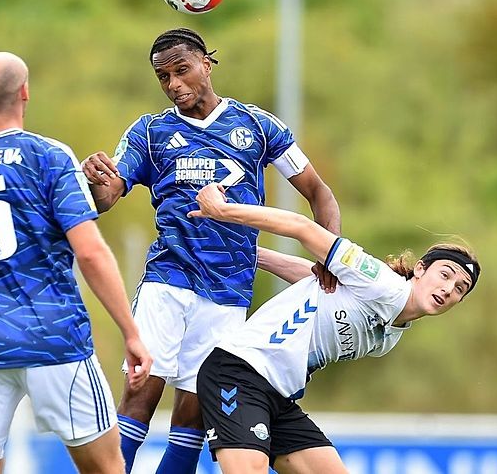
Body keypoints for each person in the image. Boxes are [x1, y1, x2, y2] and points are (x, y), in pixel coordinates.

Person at [81, 27, 341, 474]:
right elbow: (107, 199)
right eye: (163, 77)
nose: (174, 84)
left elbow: (320, 194)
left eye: (182, 70)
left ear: (207, 63)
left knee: (195, 410)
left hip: (228, 290)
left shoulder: (259, 126)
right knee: (142, 391)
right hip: (169, 279)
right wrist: (97, 181)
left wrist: (331, 260)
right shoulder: (149, 132)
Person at [0, 52, 153, 474]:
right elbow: (90, 251)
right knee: (105, 468)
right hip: (56, 340)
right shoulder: (48, 156)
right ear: (25, 92)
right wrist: (131, 332)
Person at [186, 182, 480, 473]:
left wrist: (253, 255)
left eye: (459, 288)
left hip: (279, 395)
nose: (448, 288)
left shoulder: (390, 337)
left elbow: (319, 284)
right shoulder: (381, 282)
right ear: (420, 270)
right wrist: (222, 211)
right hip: (239, 372)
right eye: (445, 274)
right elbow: (303, 227)